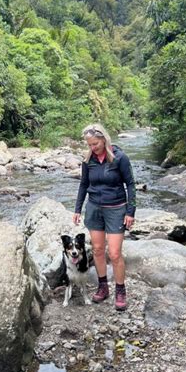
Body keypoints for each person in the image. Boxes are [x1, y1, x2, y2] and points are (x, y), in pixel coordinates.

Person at [73, 123, 136, 311]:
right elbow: (83, 184)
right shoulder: (88, 160)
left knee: (115, 253)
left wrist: (130, 212)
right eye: (89, 145)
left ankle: (120, 291)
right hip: (94, 209)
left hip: (116, 209)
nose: (92, 148)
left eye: (95, 144)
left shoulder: (120, 158)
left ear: (104, 140)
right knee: (98, 249)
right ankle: (103, 287)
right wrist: (77, 209)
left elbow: (130, 184)